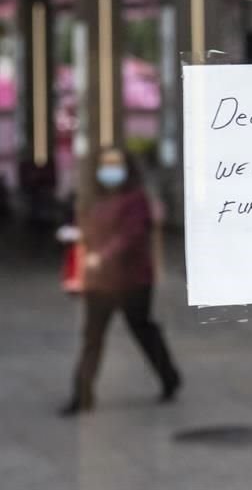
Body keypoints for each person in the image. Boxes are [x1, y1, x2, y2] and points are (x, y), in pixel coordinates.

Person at [60, 147, 181, 416]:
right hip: (99, 282)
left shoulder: (136, 199)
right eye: (105, 165)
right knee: (93, 336)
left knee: (142, 329)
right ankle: (81, 394)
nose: (109, 171)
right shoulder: (96, 198)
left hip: (132, 281)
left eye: (115, 165)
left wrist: (103, 255)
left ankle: (169, 376)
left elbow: (132, 235)